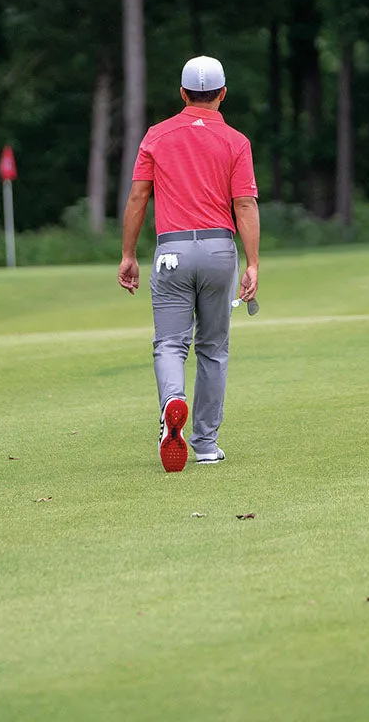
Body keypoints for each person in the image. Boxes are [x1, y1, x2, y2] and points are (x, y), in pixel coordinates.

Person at [117, 55, 260, 473]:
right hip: (219, 251)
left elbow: (139, 197)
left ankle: (171, 403)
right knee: (212, 348)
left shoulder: (157, 136)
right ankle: (206, 444)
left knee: (169, 344)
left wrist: (128, 255)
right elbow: (245, 204)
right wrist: (252, 263)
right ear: (223, 94)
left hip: (172, 252)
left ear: (182, 94)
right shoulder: (236, 141)